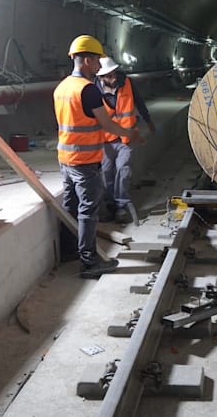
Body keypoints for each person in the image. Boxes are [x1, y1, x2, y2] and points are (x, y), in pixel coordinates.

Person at [55, 35, 145, 278]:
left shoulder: (62, 87)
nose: (99, 67)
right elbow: (107, 125)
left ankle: (68, 252)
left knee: (70, 207)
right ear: (86, 60)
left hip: (65, 159)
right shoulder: (88, 91)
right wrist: (131, 134)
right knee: (88, 212)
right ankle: (89, 262)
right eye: (97, 61)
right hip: (85, 161)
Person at [96, 56, 155, 223]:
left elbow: (139, 102)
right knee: (106, 172)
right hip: (106, 139)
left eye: (114, 74)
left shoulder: (127, 83)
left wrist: (148, 121)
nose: (113, 78)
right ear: (101, 77)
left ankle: (121, 206)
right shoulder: (93, 89)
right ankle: (110, 206)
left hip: (126, 137)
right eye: (108, 76)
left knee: (123, 169)